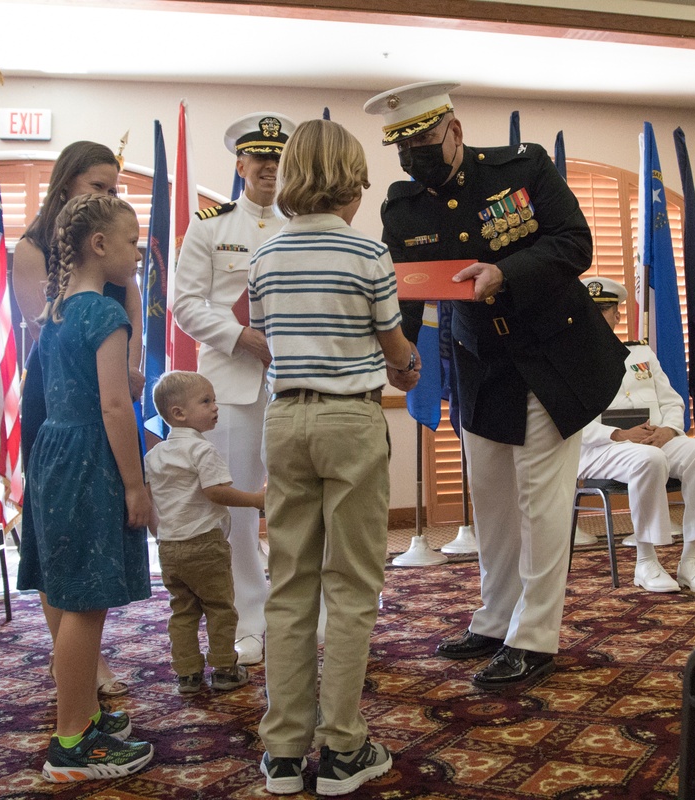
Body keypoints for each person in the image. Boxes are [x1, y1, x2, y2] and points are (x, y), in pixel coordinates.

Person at [366, 81, 627, 691]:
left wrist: (503, 273)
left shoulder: (523, 168)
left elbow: (574, 245)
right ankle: (494, 619)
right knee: (491, 499)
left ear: (453, 130)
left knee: (541, 499)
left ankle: (535, 637)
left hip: (550, 356)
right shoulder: (403, 205)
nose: (415, 157)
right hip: (480, 363)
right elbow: (402, 286)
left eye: (425, 140)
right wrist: (398, 355)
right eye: (402, 148)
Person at [248, 119, 419, 796]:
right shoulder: (369, 254)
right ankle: (344, 749)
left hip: (284, 418)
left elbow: (266, 338)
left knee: (289, 586)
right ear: (351, 183)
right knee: (350, 586)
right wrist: (406, 368)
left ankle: (284, 754)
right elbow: (394, 347)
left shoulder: (262, 257)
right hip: (350, 419)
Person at [29, 193, 153, 781]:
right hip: (89, 459)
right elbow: (113, 406)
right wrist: (136, 485)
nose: (138, 252)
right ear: (99, 246)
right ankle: (72, 742)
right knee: (84, 602)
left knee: (67, 590)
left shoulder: (56, 310)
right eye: (131, 242)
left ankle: (82, 713)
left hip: (53, 451)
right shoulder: (105, 315)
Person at [13, 140, 144, 698]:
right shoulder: (45, 263)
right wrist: (136, 485)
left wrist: (132, 366)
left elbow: (131, 310)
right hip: (70, 411)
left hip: (84, 408)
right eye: (100, 187)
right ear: (67, 183)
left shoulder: (77, 301)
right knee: (76, 573)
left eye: (116, 188)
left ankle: (76, 693)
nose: (109, 194)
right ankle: (77, 699)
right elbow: (105, 398)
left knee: (79, 575)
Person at [172, 112, 297, 667]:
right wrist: (242, 337)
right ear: (241, 164)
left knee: (300, 500)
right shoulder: (210, 227)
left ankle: (299, 612)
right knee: (239, 507)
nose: (270, 168)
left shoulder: (305, 225)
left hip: (298, 381)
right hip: (231, 387)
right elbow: (186, 304)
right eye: (260, 159)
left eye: (280, 160)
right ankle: (250, 615)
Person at [578, 277, 695, 593]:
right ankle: (646, 561)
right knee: (649, 458)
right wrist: (619, 434)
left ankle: (690, 560)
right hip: (600, 448)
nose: (607, 316)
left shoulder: (640, 354)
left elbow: (671, 401)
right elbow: (568, 420)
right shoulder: (566, 358)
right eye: (597, 310)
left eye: (608, 310)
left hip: (652, 440)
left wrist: (669, 429)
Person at [145, 370, 265, 694]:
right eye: (206, 401)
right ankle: (225, 667)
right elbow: (216, 492)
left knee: (182, 611)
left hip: (169, 547)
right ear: (179, 413)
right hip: (204, 544)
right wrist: (256, 499)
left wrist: (160, 534)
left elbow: (148, 500)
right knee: (220, 607)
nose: (215, 407)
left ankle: (187, 674)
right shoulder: (202, 450)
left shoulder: (153, 455)